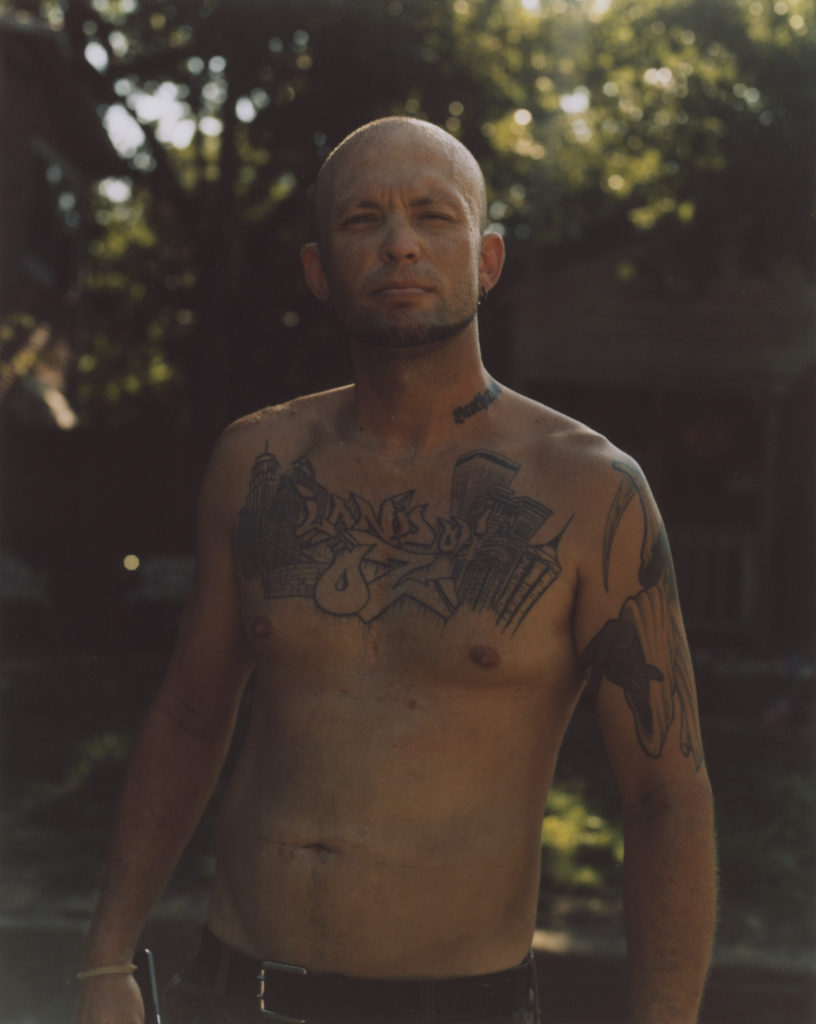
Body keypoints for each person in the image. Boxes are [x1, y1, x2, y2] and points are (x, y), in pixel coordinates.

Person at [76, 116, 716, 1024]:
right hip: (230, 994)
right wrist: (105, 959)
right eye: (361, 219)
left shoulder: (590, 491)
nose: (400, 243)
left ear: (487, 261)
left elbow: (666, 799)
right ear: (318, 270)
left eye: (433, 215)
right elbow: (189, 712)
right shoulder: (259, 464)